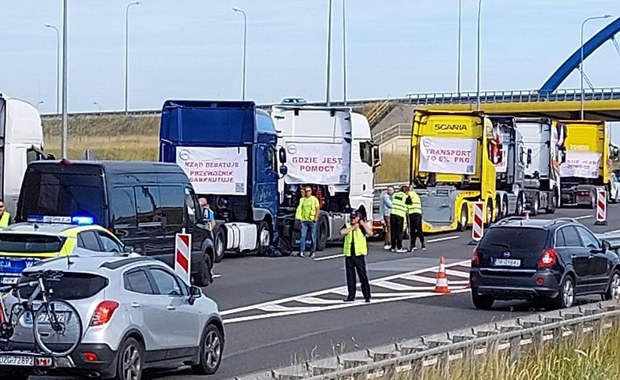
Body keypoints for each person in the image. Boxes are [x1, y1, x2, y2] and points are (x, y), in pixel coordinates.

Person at [340, 209, 373, 303]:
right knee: (350, 277)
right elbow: (342, 232)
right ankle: (351, 296)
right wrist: (352, 228)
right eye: (351, 218)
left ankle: (367, 296)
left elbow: (370, 233)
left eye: (354, 218)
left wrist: (362, 224)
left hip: (359, 254)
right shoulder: (347, 225)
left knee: (362, 276)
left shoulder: (362, 227)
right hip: (349, 254)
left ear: (358, 218)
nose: (352, 220)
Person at [295, 186, 320, 258]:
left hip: (312, 220)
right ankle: (302, 251)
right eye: (306, 191)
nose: (307, 192)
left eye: (309, 191)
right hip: (304, 220)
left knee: (313, 236)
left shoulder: (314, 199)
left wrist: (316, 217)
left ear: (311, 192)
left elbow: (317, 208)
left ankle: (312, 252)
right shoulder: (302, 199)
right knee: (303, 236)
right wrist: (299, 218)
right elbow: (300, 208)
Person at [405, 188, 425, 252]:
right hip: (417, 214)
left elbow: (407, 203)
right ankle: (422, 244)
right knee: (419, 230)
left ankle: (413, 245)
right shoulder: (416, 195)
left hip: (412, 214)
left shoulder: (408, 195)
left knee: (412, 231)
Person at [389, 187, 408, 253]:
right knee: (399, 232)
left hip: (393, 214)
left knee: (393, 231)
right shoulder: (406, 197)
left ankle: (393, 247)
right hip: (400, 215)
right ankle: (399, 247)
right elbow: (409, 204)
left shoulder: (395, 195)